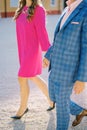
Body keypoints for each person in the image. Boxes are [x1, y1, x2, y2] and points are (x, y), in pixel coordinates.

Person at [43, 0, 87, 129]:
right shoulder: (67, 8)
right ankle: (79, 110)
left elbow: (86, 48)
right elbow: (59, 38)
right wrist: (48, 55)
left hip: (69, 70)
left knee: (61, 109)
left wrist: (82, 79)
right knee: (54, 96)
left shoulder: (85, 10)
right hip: (55, 67)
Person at [11, 0, 54, 120]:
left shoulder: (39, 10)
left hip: (32, 50)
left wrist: (48, 53)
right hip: (23, 49)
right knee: (31, 76)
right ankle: (51, 100)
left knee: (22, 76)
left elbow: (42, 32)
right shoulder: (22, 8)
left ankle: (22, 108)